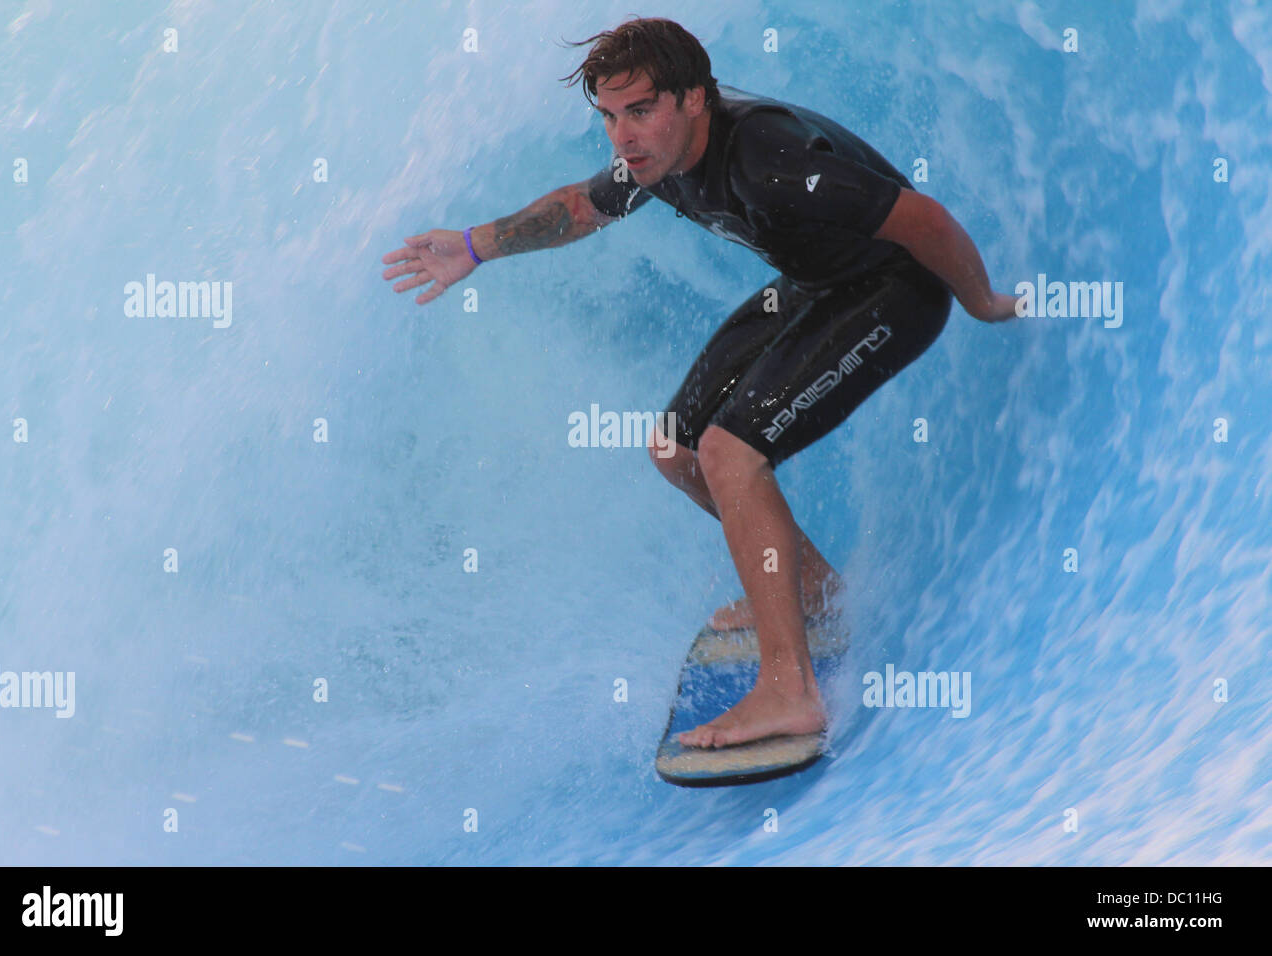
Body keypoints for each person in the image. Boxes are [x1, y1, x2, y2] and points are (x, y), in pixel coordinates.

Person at [382, 17, 1019, 750]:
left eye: (641, 111)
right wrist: (471, 248)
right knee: (674, 448)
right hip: (817, 283)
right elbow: (585, 205)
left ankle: (792, 690)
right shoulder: (659, 157)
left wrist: (982, 302)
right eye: (611, 118)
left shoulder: (769, 156)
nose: (623, 136)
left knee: (730, 453)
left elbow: (923, 218)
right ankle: (809, 591)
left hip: (893, 288)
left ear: (694, 100)